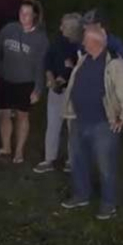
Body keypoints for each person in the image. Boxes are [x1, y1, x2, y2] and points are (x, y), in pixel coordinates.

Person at [60, 26, 123, 220]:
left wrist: (122, 118)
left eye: (85, 39)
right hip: (79, 120)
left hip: (102, 124)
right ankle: (81, 194)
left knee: (105, 165)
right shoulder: (84, 59)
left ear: (95, 43)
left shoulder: (115, 65)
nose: (82, 42)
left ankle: (108, 203)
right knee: (78, 160)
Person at [0, 0, 49, 164]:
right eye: (21, 12)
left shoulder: (40, 38)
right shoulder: (9, 29)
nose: (23, 16)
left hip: (26, 82)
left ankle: (19, 151)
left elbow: (41, 65)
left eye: (27, 13)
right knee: (3, 114)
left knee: (22, 116)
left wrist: (38, 88)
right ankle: (6, 147)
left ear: (34, 16)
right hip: (6, 79)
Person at [34, 12, 83, 174]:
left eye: (64, 25)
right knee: (53, 125)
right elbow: (48, 61)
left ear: (72, 29)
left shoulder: (80, 47)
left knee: (73, 127)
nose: (60, 27)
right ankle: (49, 159)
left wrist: (63, 78)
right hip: (56, 91)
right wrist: (51, 79)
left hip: (72, 93)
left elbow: (77, 68)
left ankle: (72, 160)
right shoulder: (56, 43)